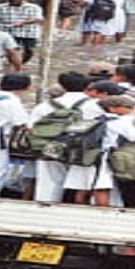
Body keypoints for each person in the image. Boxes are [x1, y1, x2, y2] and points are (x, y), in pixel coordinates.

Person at [64, 96, 135, 206]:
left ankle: (81, 211)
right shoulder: (118, 122)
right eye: (128, 107)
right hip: (102, 158)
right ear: (112, 108)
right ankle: (103, 215)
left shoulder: (93, 119)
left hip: (83, 156)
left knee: (82, 188)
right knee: (102, 188)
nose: (133, 109)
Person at [30, 71, 102, 202]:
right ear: (88, 86)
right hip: (82, 150)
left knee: (49, 182)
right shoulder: (96, 106)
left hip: (50, 147)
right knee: (83, 183)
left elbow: (31, 127)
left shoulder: (45, 106)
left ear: (61, 86)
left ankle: (45, 208)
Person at [0, 0, 45, 64]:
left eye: (15, 1)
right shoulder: (1, 6)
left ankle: (22, 63)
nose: (12, 2)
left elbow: (38, 18)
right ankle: (13, 63)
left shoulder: (34, 7)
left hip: (29, 32)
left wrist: (23, 22)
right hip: (10, 31)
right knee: (11, 50)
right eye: (11, 0)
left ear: (22, 0)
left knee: (30, 50)